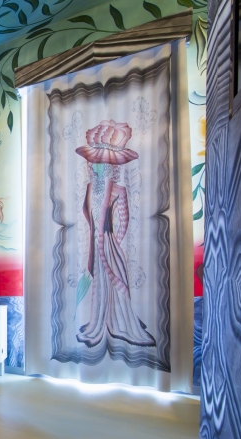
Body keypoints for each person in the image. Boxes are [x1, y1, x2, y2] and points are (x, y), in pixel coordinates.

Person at [74, 119, 155, 348]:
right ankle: (99, 321)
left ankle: (118, 322)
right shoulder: (90, 188)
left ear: (110, 166)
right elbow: (87, 213)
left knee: (113, 282)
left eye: (101, 163)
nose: (95, 166)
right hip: (97, 243)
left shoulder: (119, 189)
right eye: (95, 162)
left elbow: (124, 220)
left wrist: (113, 243)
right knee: (100, 284)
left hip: (109, 244)